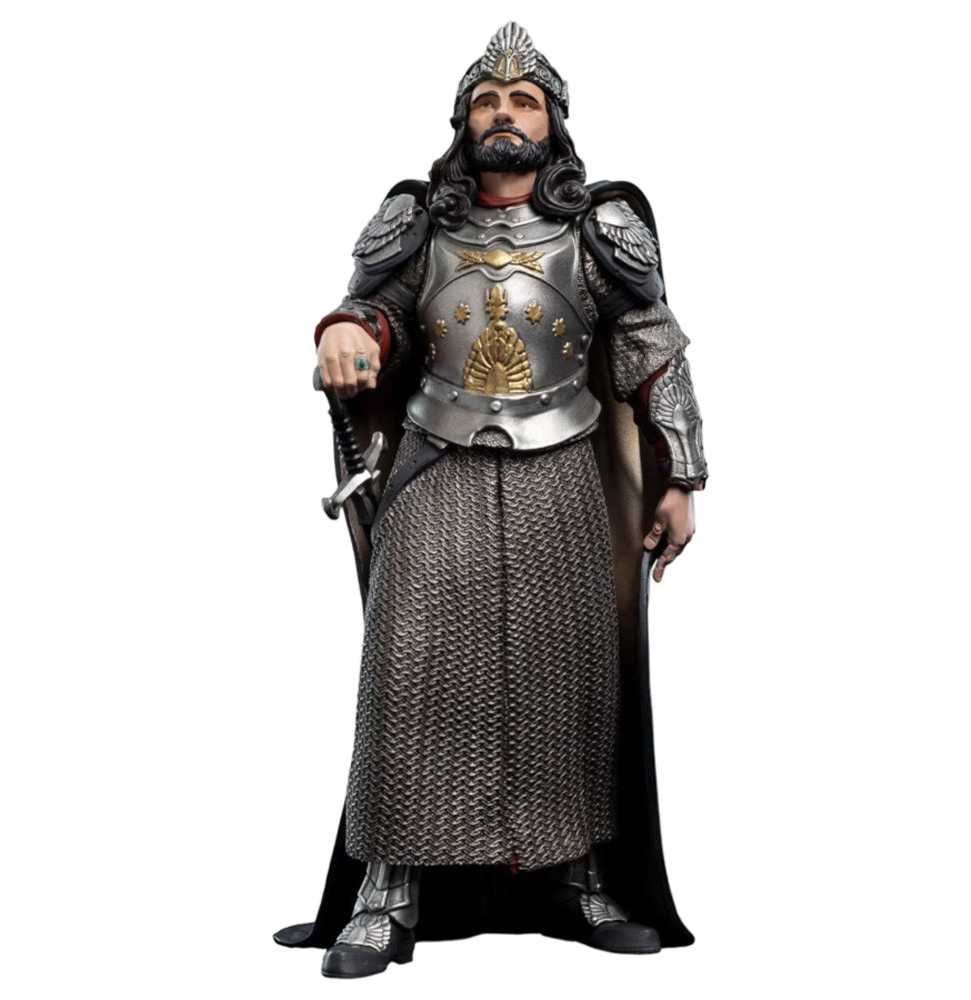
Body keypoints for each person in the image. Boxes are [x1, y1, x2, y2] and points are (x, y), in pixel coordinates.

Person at [274, 22, 708, 979]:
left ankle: (578, 876)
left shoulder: (600, 227)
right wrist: (347, 329)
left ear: (554, 122)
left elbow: (652, 347)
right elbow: (381, 311)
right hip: (437, 465)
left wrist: (680, 474)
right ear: (462, 120)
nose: (504, 114)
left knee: (568, 675)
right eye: (486, 100)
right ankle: (387, 889)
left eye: (523, 101)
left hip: (563, 472)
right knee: (409, 673)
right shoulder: (417, 220)